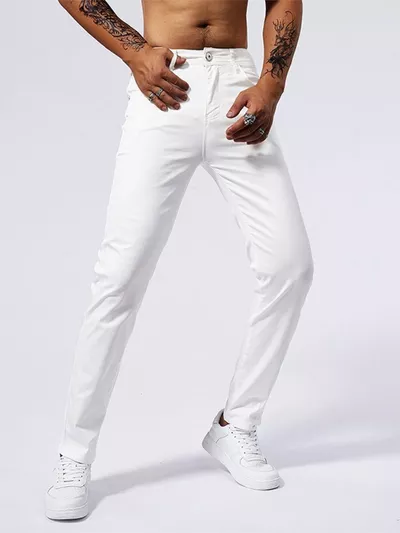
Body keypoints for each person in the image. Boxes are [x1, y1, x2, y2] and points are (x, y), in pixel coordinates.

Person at [45, 0, 313, 521]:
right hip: (166, 84)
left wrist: (271, 84)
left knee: (290, 265)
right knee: (119, 279)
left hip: (238, 87)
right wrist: (134, 52)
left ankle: (236, 425)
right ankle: (73, 454)